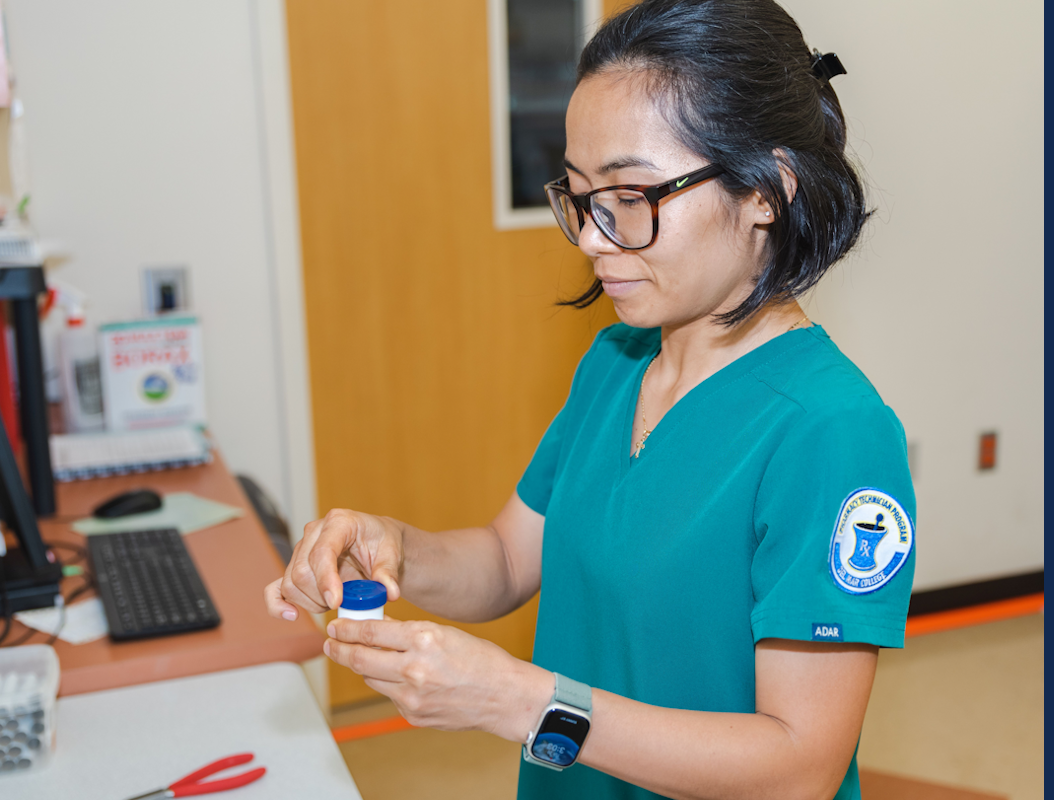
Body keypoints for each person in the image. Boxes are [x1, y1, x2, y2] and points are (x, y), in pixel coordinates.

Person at [265, 1, 916, 797]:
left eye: (632, 197)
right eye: (579, 199)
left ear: (767, 191)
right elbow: (507, 559)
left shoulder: (832, 431)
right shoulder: (617, 361)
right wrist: (392, 545)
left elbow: (800, 766)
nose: (596, 239)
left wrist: (522, 701)